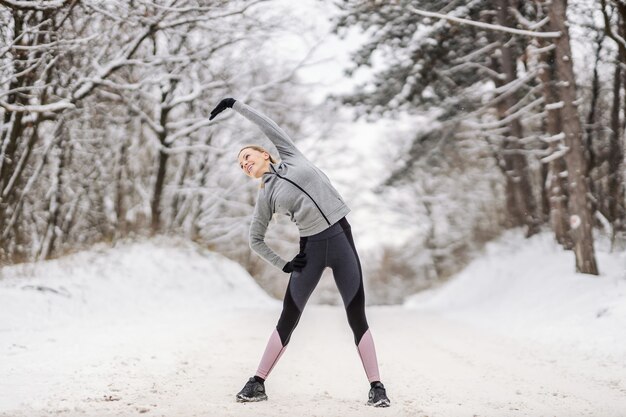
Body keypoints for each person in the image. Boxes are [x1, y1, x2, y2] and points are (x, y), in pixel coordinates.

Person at [209, 98, 390, 407]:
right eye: (241, 165)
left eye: (247, 156)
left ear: (264, 153)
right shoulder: (265, 197)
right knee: (289, 315)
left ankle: (377, 386)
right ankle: (257, 383)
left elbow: (265, 123)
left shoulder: (291, 155)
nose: (245, 164)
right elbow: (255, 239)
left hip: (341, 238)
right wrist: (284, 265)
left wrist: (234, 105)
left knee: (356, 313)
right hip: (311, 249)